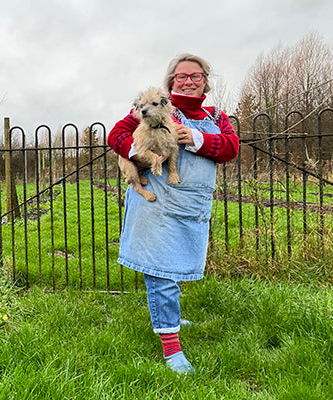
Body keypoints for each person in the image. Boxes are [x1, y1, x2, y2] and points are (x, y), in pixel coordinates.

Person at [107, 53, 239, 373]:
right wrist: (143, 153)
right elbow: (117, 135)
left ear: (206, 81)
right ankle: (171, 347)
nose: (189, 81)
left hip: (192, 205)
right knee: (162, 272)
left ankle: (173, 317)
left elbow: (231, 147)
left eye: (196, 76)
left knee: (177, 267)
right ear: (171, 82)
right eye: (181, 76)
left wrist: (196, 138)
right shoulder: (154, 109)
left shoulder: (217, 116)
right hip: (157, 205)